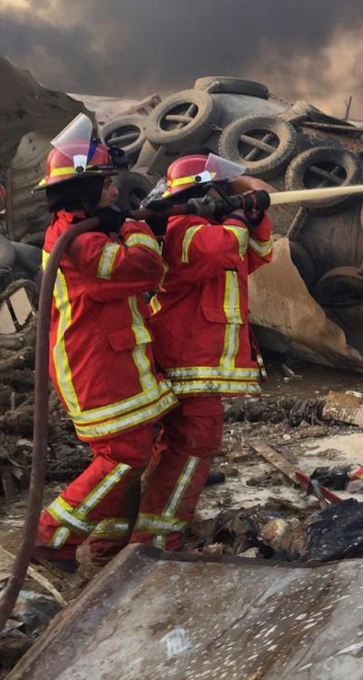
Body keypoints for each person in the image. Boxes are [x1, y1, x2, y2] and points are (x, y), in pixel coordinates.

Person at [33, 115, 177, 571]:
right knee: (122, 455)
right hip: (93, 365)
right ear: (85, 189)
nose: (115, 191)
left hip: (113, 360)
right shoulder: (79, 242)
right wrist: (135, 227)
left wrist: (120, 223)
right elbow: (144, 269)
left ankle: (108, 544)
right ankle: (49, 534)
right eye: (107, 184)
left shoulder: (83, 232)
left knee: (129, 451)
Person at [134, 154, 274, 551]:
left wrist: (255, 213)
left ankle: (157, 521)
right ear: (205, 192)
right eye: (223, 190)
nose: (229, 195)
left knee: (185, 442)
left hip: (202, 360)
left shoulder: (216, 230)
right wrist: (237, 214)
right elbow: (221, 249)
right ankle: (159, 535)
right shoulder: (184, 229)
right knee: (194, 441)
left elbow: (259, 253)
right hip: (188, 358)